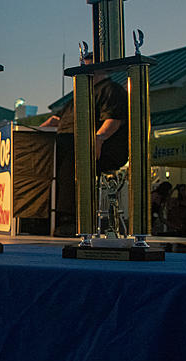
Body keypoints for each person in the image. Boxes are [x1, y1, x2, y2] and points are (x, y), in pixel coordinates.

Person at [43, 52, 129, 235]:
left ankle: (70, 218)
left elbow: (113, 120)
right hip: (64, 143)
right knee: (42, 161)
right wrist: (24, 132)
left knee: (73, 159)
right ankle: (39, 217)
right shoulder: (79, 95)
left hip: (97, 149)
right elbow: (56, 119)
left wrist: (98, 139)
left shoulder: (111, 90)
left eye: (87, 67)